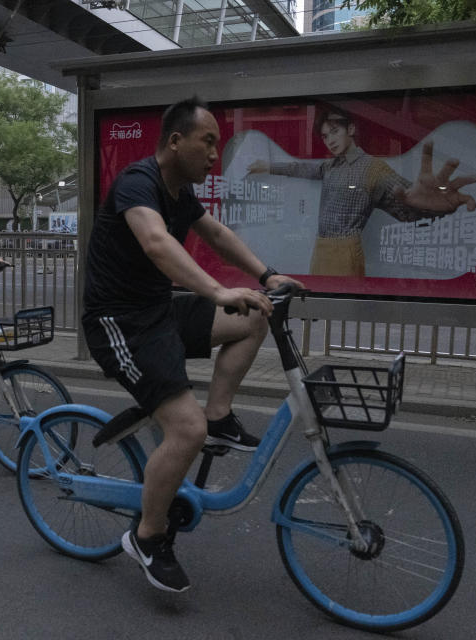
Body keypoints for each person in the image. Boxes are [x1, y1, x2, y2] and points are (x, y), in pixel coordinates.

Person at [83, 97, 303, 593]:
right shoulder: (138, 183)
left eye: (219, 147)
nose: (214, 156)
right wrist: (218, 290)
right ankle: (147, 535)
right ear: (175, 141)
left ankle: (220, 415)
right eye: (208, 143)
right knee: (186, 428)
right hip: (118, 324)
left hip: (160, 313)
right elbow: (158, 243)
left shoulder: (181, 192)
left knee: (252, 319)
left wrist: (265, 276)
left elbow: (217, 234)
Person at [248, 104, 476, 276]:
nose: (330, 140)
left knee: (343, 312)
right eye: (325, 135)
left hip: (346, 251)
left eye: (335, 131)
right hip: (321, 249)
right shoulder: (330, 166)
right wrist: (268, 166)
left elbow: (408, 206)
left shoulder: (373, 168)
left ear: (350, 129)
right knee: (320, 307)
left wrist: (435, 206)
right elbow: (300, 169)